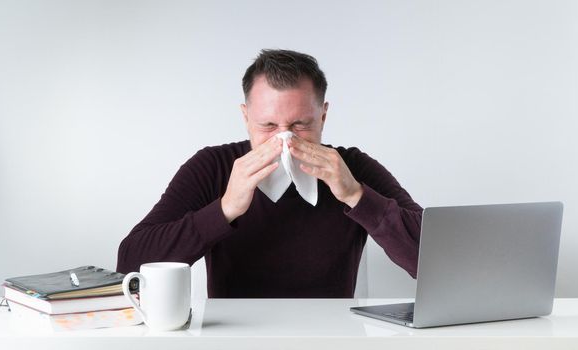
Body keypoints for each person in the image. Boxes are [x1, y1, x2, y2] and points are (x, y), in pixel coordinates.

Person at [117, 49, 423, 298]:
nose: (285, 139)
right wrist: (224, 209)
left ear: (324, 116)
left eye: (300, 125)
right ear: (246, 116)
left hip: (332, 337)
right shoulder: (213, 166)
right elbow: (130, 263)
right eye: (268, 126)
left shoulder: (352, 167)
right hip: (233, 341)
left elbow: (433, 263)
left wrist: (357, 196)